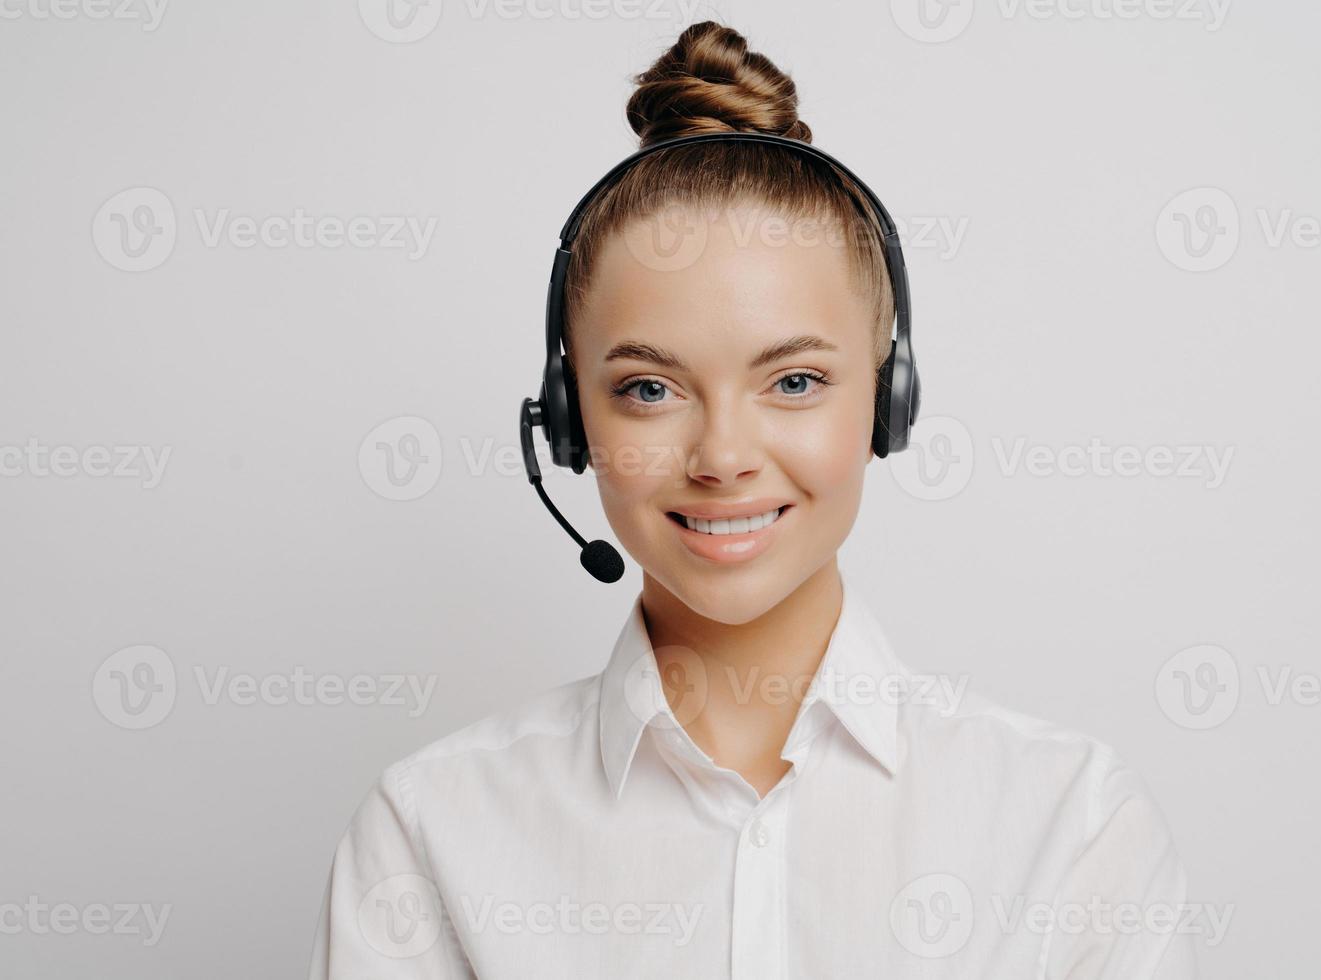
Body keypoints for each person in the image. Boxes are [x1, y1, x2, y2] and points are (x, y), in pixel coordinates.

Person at [308, 20, 1197, 979]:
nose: (723, 458)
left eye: (796, 382)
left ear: (887, 402)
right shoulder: (429, 834)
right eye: (649, 389)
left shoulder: (1071, 829)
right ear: (568, 424)